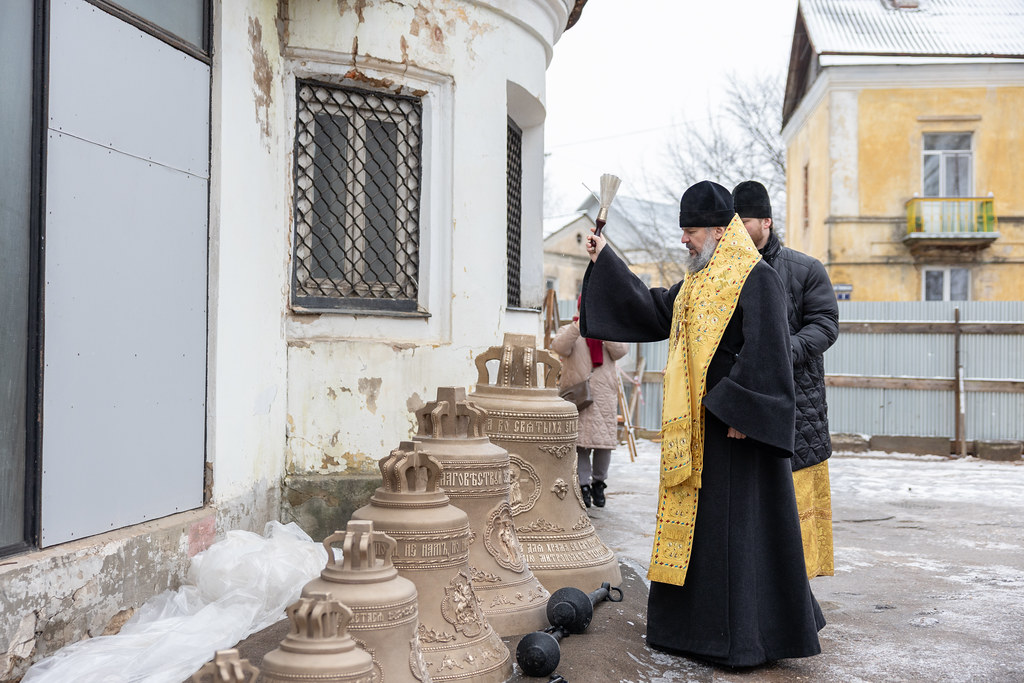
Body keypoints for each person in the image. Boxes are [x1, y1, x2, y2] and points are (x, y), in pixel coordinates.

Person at [580, 180, 824, 667]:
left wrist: (743, 413)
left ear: (717, 230)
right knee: (703, 537)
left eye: (690, 232)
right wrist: (605, 258)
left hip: (736, 432)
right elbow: (651, 311)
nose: (684, 241)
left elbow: (768, 349)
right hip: (698, 434)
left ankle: (743, 640)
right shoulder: (695, 283)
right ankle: (692, 632)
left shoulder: (755, 277)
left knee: (737, 538)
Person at [732, 180, 839, 579]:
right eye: (733, 224)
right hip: (740, 404)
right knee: (749, 500)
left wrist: (782, 352)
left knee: (794, 501)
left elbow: (825, 324)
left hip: (798, 404)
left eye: (746, 222)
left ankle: (798, 590)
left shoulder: (805, 269)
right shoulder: (721, 272)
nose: (739, 231)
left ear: (767, 222)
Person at [551, 299, 629, 507]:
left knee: (604, 445)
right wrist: (578, 326)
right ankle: (583, 485)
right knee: (580, 445)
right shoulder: (570, 329)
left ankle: (599, 483)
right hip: (578, 397)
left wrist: (604, 330)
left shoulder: (609, 329)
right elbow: (559, 347)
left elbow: (621, 351)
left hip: (603, 396)